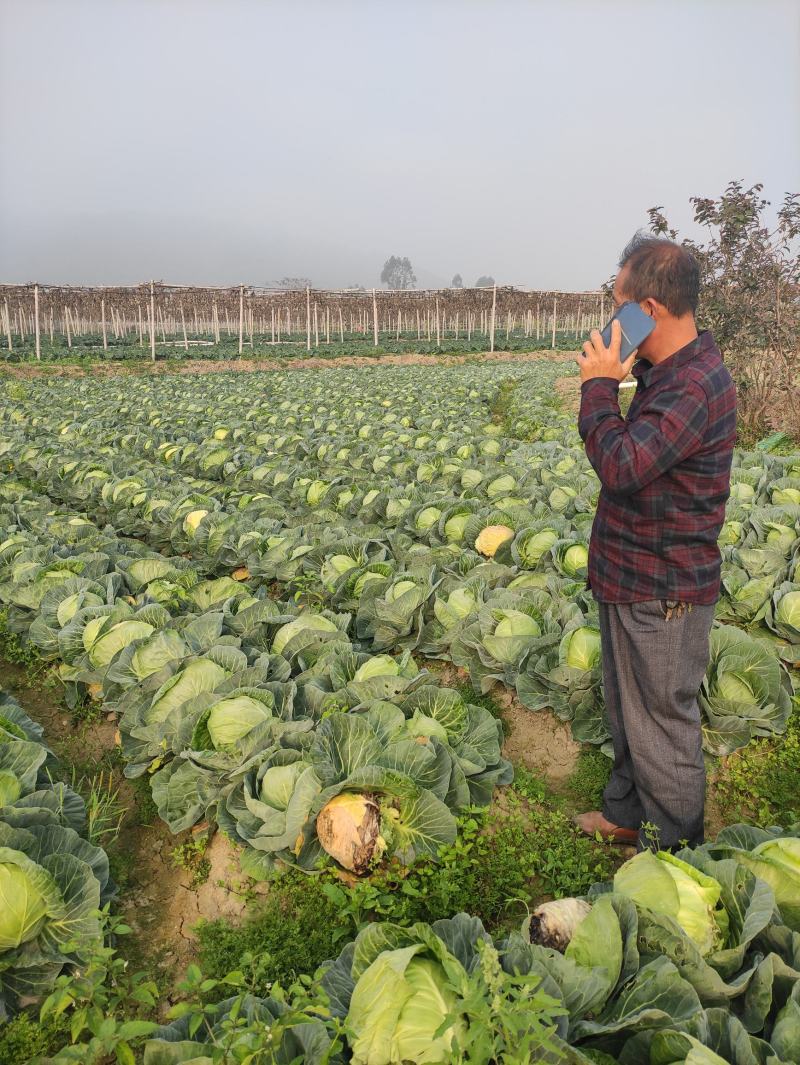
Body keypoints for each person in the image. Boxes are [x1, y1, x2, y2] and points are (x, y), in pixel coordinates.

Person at [574, 233, 737, 851]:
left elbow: (620, 465)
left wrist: (598, 386)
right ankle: (625, 812)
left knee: (662, 725)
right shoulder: (665, 372)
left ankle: (674, 853)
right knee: (626, 713)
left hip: (663, 587)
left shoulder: (693, 386)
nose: (614, 316)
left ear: (652, 309)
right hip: (630, 574)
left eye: (621, 304)